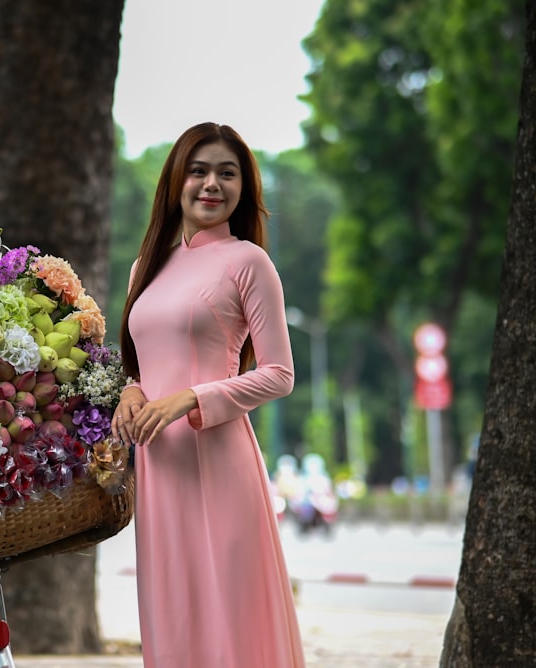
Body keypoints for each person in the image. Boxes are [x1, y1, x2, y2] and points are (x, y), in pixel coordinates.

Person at [113, 122, 305, 667]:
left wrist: (190, 398)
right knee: (173, 616)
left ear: (243, 187)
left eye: (227, 173)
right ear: (177, 180)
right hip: (159, 467)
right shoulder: (145, 267)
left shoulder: (247, 261)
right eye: (198, 171)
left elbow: (279, 373)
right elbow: (140, 364)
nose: (211, 184)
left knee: (229, 618)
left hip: (218, 462)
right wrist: (131, 395)